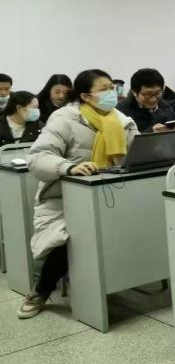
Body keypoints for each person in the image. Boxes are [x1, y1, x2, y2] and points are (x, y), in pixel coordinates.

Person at [18, 69, 138, 318]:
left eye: (112, 87)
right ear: (85, 95)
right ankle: (40, 291)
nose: (111, 93)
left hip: (111, 194)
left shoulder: (120, 120)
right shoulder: (64, 119)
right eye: (104, 89)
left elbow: (136, 152)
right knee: (71, 240)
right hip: (65, 199)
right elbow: (38, 158)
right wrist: (68, 167)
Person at [117, 68, 175, 133]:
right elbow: (121, 138)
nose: (153, 99)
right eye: (148, 94)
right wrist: (151, 133)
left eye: (157, 93)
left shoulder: (166, 108)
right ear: (134, 92)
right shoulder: (121, 112)